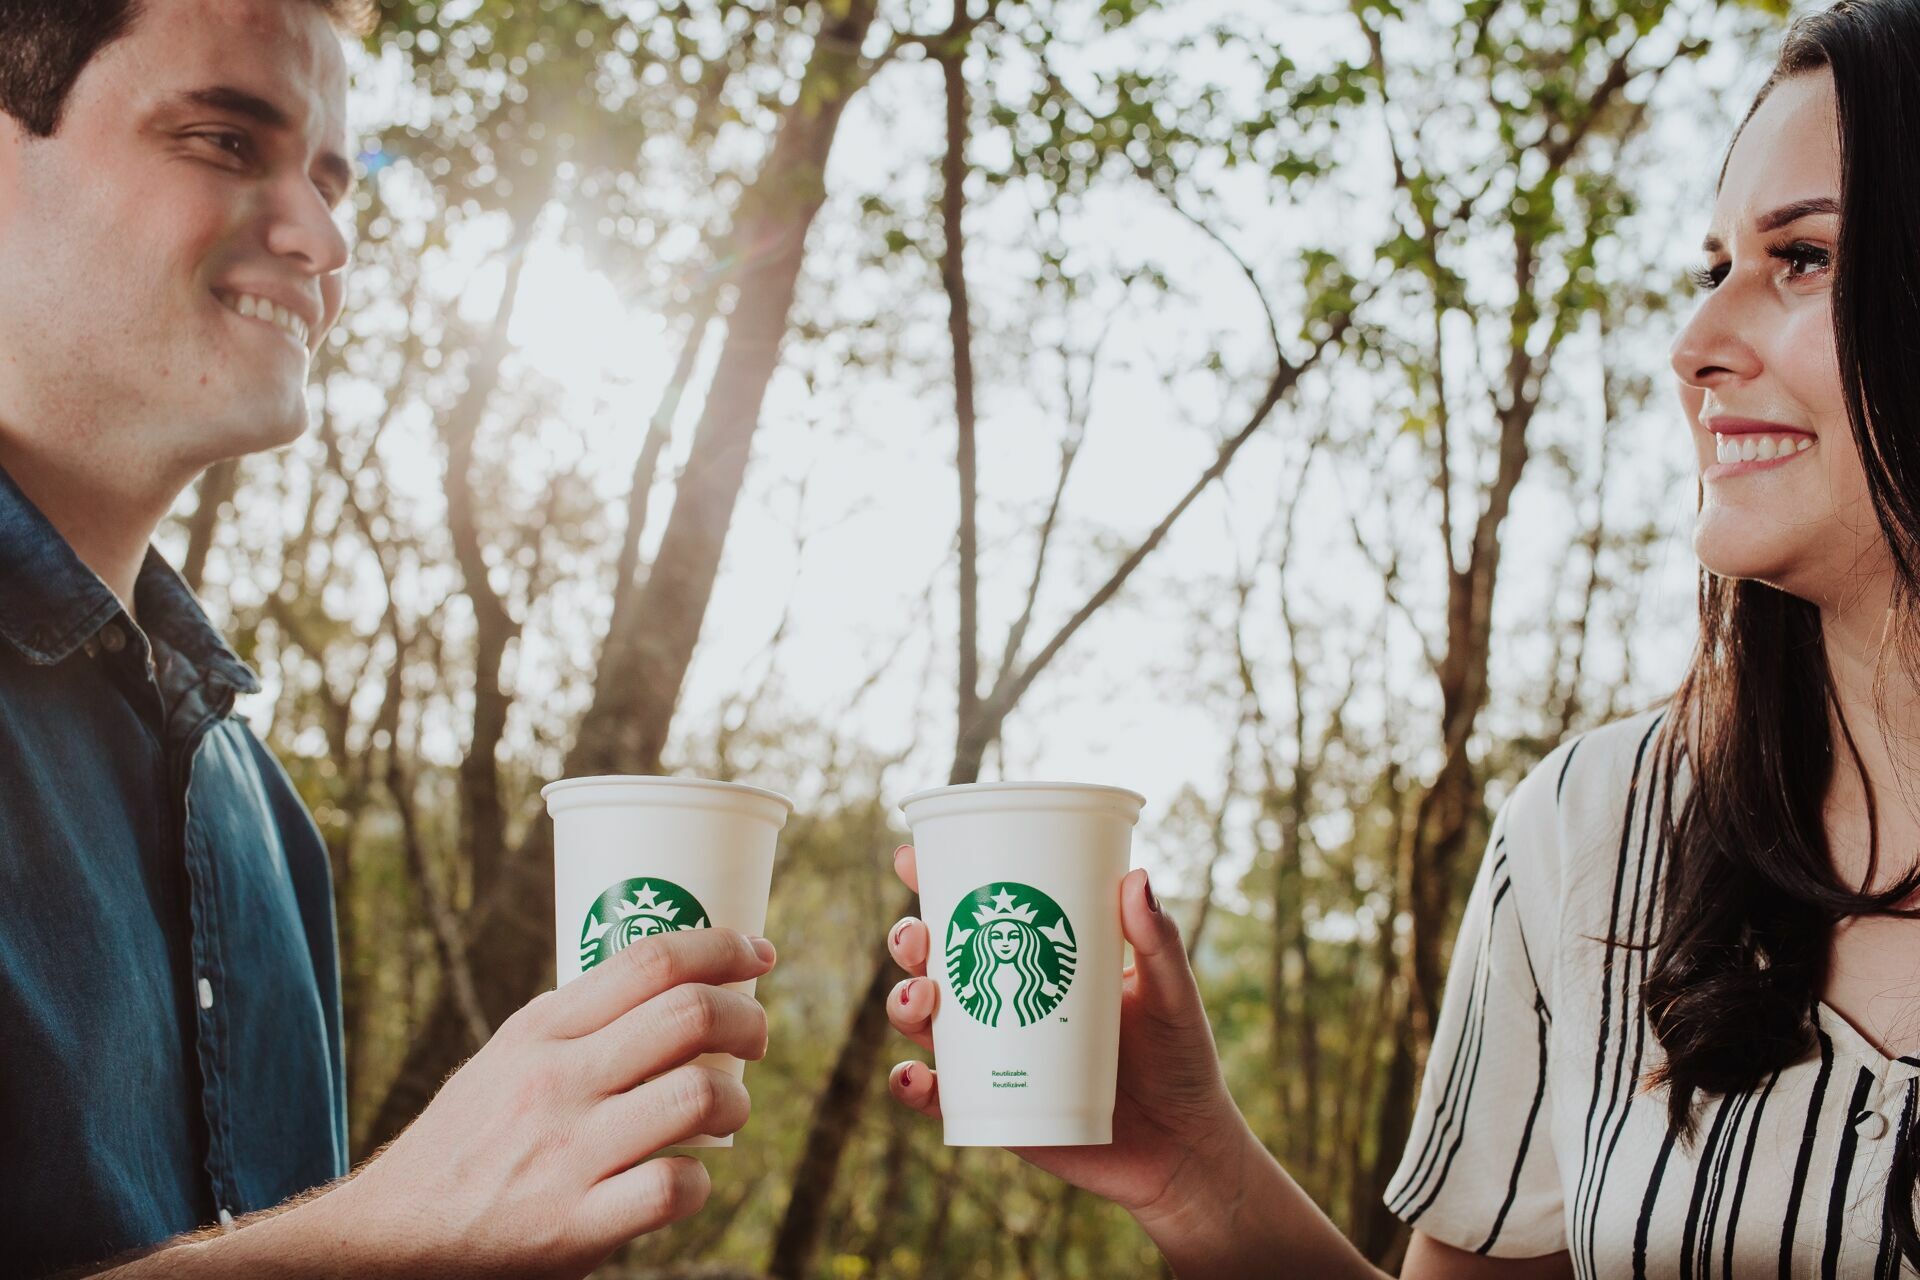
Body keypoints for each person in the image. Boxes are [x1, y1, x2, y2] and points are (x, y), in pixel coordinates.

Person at [882, 0, 1920, 1273]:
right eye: (1713, 271)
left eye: (1801, 259)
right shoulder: (1592, 835)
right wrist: (1196, 1165)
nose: (1695, 345)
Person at [0, 2, 772, 1275]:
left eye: (328, 175)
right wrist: (399, 1224)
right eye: (221, 140)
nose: (322, 236)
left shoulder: (257, 817)